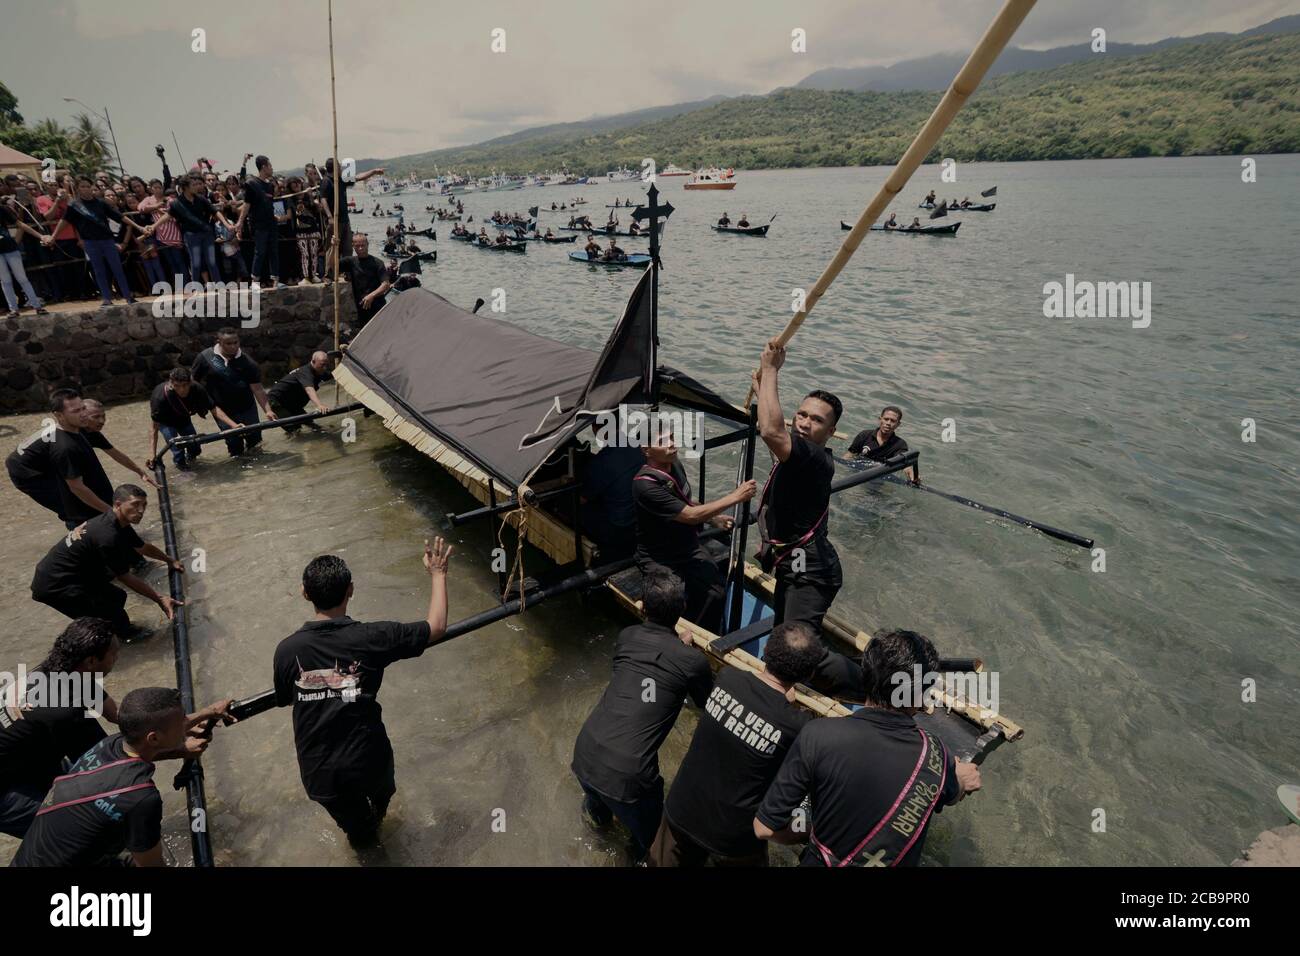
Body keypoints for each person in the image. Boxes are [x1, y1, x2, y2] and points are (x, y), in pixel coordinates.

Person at [272, 539, 453, 846]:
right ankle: (379, 819)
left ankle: (368, 838)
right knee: (382, 798)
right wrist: (438, 573)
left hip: (320, 773)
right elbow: (436, 627)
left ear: (304, 593)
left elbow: (285, 698)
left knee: (361, 836)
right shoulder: (374, 637)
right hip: (368, 758)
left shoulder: (287, 650)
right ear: (351, 590)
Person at [753, 629, 982, 866]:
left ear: (865, 677)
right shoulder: (936, 754)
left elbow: (764, 828)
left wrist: (812, 832)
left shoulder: (819, 735)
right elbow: (960, 788)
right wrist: (962, 779)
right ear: (919, 697)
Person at [649, 621, 823, 866]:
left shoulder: (728, 679)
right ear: (808, 675)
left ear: (764, 652)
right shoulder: (798, 727)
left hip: (681, 811)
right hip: (733, 841)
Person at [570, 570, 713, 862]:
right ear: (683, 608)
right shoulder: (693, 661)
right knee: (652, 845)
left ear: (642, 607)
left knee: (599, 815)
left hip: (585, 753)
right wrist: (685, 653)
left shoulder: (627, 636)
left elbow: (644, 667)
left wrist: (675, 650)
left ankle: (599, 831)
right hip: (628, 776)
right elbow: (707, 704)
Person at [11, 686, 233, 867]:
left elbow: (147, 743)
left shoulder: (109, 745)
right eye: (181, 723)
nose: (186, 725)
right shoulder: (141, 797)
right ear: (153, 738)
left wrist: (208, 712)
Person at [752, 340, 844, 632]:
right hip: (793, 561)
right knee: (783, 630)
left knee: (794, 648)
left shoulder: (813, 457)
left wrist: (770, 370)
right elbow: (773, 429)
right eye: (801, 414)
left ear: (831, 432)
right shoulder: (799, 453)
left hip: (812, 571)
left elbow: (769, 430)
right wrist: (762, 389)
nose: (804, 423)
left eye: (816, 420)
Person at [0, 618, 121, 837]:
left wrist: (174, 723)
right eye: (114, 654)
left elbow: (118, 716)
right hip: (5, 791)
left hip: (27, 761)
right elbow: (109, 763)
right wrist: (173, 747)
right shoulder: (64, 711)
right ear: (92, 661)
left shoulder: (54, 671)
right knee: (77, 834)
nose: (117, 658)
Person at [633, 423, 756, 632]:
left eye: (671, 437)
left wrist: (713, 518)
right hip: (659, 556)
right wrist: (736, 497)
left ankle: (701, 633)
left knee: (716, 592)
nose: (672, 444)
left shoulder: (675, 465)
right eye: (663, 442)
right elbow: (689, 516)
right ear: (646, 450)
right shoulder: (645, 485)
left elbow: (687, 503)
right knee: (668, 603)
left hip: (687, 546)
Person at [30, 484, 183, 639]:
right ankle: (117, 641)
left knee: (117, 596)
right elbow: (126, 577)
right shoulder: (108, 536)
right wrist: (159, 599)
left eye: (144, 505)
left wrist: (169, 560)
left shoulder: (118, 522)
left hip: (73, 573)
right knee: (112, 617)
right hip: (55, 585)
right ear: (118, 504)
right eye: (135, 504)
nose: (141, 510)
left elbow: (142, 547)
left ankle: (109, 631)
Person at [43, 178, 135, 308]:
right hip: (90, 242)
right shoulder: (74, 205)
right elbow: (64, 221)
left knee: (117, 268)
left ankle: (128, 296)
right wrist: (53, 236)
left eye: (88, 186)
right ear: (77, 188)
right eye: (82, 186)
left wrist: (138, 227)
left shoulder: (101, 203)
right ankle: (107, 298)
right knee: (99, 271)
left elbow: (120, 217)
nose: (86, 189)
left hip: (107, 240)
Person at [191, 328, 277, 456]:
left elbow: (258, 389)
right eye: (228, 343)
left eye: (236, 342)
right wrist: (199, 406)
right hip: (222, 411)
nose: (233, 346)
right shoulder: (205, 357)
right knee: (234, 447)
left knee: (256, 443)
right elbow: (193, 383)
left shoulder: (248, 362)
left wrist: (268, 410)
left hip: (247, 408)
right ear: (219, 342)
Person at [6, 388, 80, 519]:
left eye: (83, 408)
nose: (83, 414)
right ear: (59, 415)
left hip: (42, 463)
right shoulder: (63, 442)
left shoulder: (74, 427)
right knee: (69, 507)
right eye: (76, 411)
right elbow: (76, 486)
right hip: (24, 470)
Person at [148, 366, 238, 470]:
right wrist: (152, 454)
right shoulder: (159, 397)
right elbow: (154, 429)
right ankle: (182, 468)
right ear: (171, 384)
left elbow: (214, 409)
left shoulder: (197, 389)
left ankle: (191, 463)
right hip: (166, 422)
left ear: (190, 382)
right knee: (178, 450)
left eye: (185, 385)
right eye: (177, 386)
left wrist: (234, 425)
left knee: (195, 448)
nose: (182, 390)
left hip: (183, 418)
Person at [579, 442, 643, 562]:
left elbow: (582, 499)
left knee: (571, 504)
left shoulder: (603, 460)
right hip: (639, 522)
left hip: (618, 529)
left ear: (595, 428)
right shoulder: (640, 448)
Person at [0, 188, 51, 317]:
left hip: (9, 247)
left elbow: (20, 224)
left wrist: (40, 236)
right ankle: (14, 309)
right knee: (5, 280)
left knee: (22, 278)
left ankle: (37, 306)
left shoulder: (2, 209)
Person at [236, 155, 281, 289]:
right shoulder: (252, 183)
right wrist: (240, 222)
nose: (272, 168)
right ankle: (255, 281)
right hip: (258, 224)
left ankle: (276, 280)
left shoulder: (270, 186)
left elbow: (269, 204)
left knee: (274, 251)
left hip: (271, 223)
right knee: (260, 252)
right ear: (263, 167)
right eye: (270, 166)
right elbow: (247, 204)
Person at [848, 405, 916, 483]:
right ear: (880, 419)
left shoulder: (900, 444)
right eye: (886, 419)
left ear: (898, 424)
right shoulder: (865, 435)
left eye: (893, 421)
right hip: (856, 472)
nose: (888, 423)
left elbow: (905, 465)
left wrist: (913, 476)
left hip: (879, 478)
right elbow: (849, 456)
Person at [267, 351, 334, 429]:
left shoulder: (319, 371)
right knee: (295, 429)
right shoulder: (305, 372)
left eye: (326, 365)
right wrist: (319, 405)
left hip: (292, 403)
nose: (325, 368)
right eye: (322, 365)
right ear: (313, 361)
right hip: (276, 401)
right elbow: (309, 389)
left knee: (312, 425)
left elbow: (333, 375)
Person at [339, 233, 391, 330]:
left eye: (363, 245)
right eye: (357, 246)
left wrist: (372, 295)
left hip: (378, 307)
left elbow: (386, 284)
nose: (360, 248)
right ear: (353, 246)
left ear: (367, 244)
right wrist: (334, 247)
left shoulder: (378, 263)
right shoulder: (351, 262)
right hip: (361, 309)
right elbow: (333, 266)